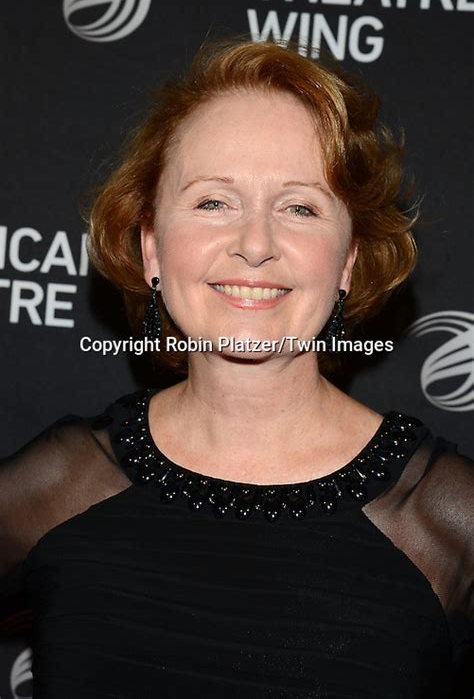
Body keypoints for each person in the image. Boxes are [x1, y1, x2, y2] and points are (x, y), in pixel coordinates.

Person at [0, 37, 472, 699]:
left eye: (300, 207)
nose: (254, 244)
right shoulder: (60, 485)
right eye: (213, 202)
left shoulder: (447, 519)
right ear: (151, 247)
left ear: (348, 261)